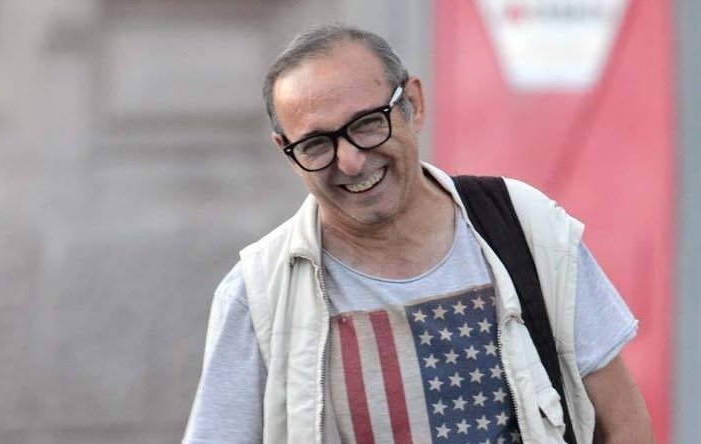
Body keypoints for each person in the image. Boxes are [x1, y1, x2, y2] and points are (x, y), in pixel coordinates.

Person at [182, 25, 653, 444]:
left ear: (414, 105)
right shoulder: (258, 293)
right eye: (316, 143)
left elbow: (623, 423)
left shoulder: (526, 226)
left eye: (367, 124)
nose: (350, 161)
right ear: (287, 152)